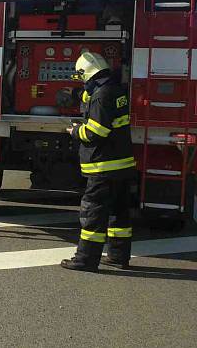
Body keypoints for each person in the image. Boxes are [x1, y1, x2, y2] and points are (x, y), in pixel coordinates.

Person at [62, 52, 135, 272]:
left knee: (93, 214)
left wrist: (75, 131)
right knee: (119, 214)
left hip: (103, 166)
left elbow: (96, 132)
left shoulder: (101, 95)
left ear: (88, 74)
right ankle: (118, 256)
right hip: (122, 164)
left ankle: (85, 260)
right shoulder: (115, 90)